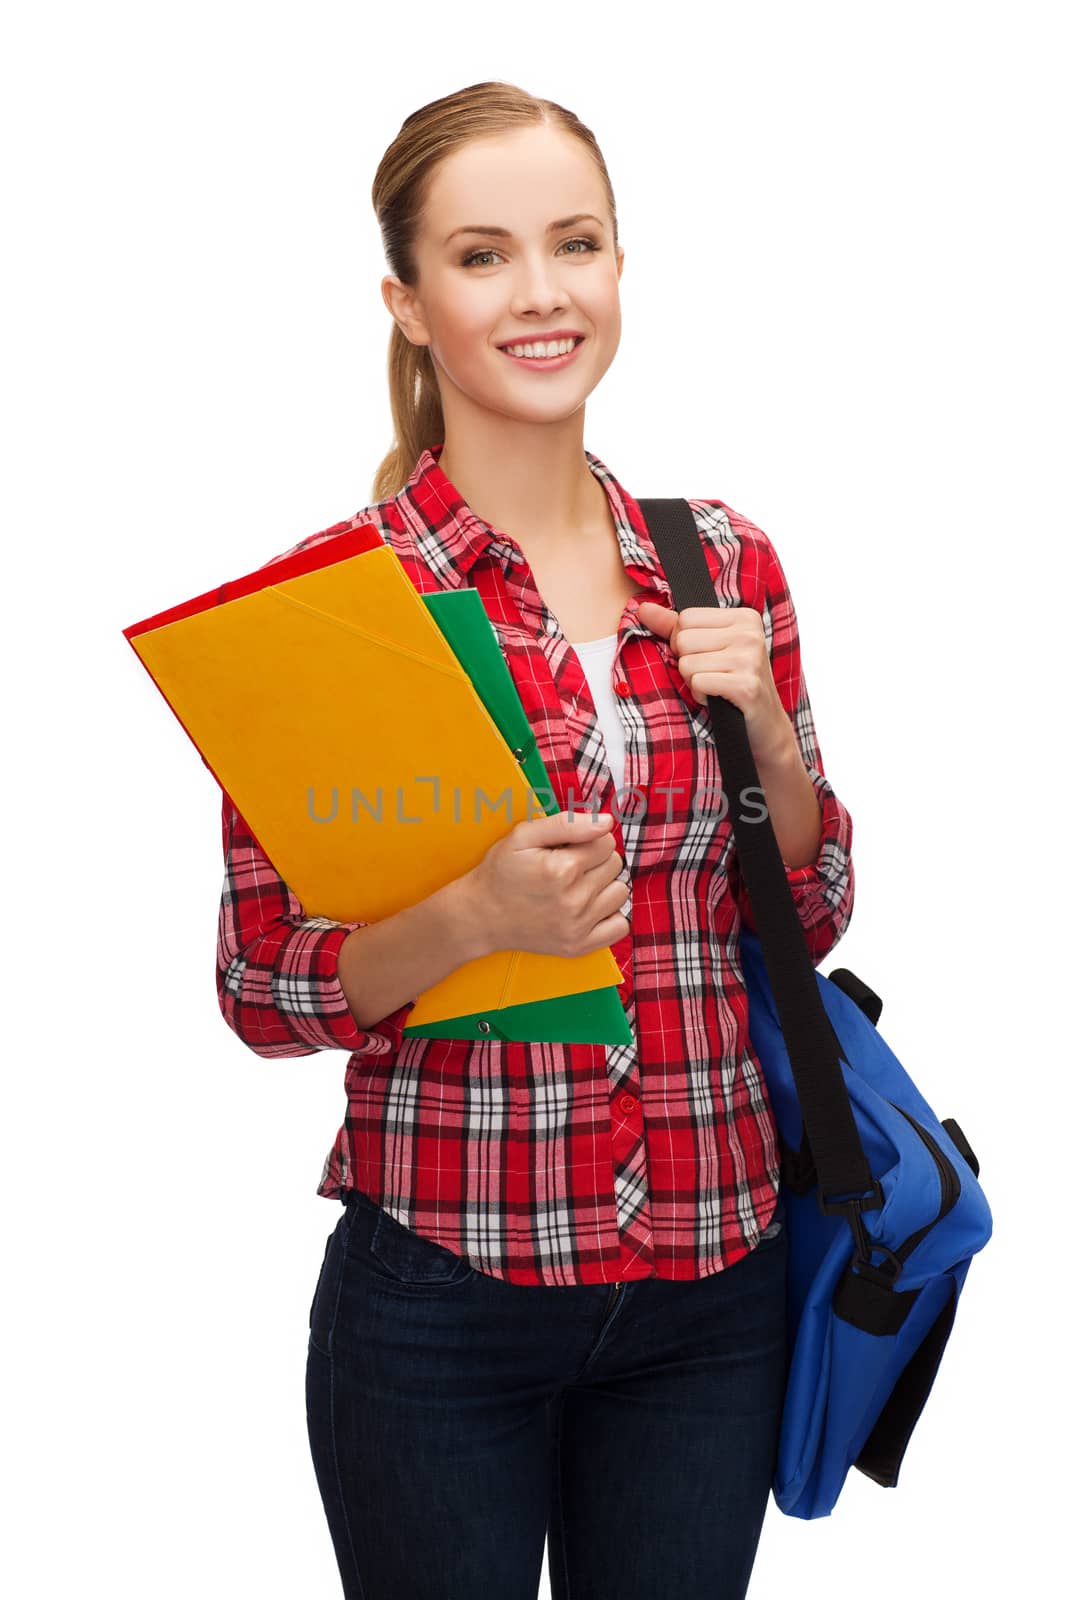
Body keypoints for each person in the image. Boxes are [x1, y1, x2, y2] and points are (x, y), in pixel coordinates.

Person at [216, 79, 855, 1600]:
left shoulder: (720, 559)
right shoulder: (334, 612)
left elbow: (813, 909)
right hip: (444, 1292)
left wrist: (765, 728)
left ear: (622, 267)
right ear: (409, 303)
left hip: (717, 1276)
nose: (542, 292)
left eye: (576, 244)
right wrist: (477, 915)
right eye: (483, 255)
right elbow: (260, 987)